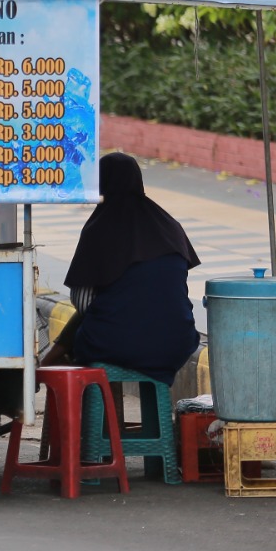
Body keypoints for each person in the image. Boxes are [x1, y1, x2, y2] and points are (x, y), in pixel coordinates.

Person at [41, 153, 202, 384]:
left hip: (117, 345)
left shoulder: (100, 228)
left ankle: (52, 367)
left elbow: (83, 302)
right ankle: (51, 362)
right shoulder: (169, 226)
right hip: (177, 344)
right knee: (104, 313)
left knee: (89, 320)